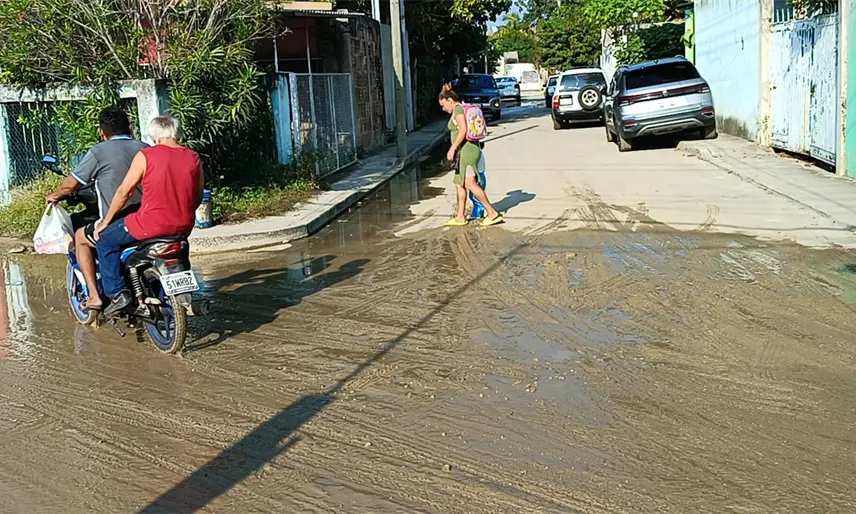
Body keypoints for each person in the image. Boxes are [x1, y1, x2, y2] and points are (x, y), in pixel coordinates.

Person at [94, 116, 204, 318]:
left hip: (149, 225)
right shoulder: (193, 157)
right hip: (183, 226)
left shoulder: (146, 155)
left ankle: (118, 294)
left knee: (105, 240)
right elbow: (197, 196)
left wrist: (105, 221)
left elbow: (124, 192)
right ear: (176, 133)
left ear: (154, 135)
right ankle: (179, 294)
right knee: (179, 252)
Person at [45, 106, 148, 311]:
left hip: (120, 221)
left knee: (81, 237)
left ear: (101, 132)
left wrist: (54, 196)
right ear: (129, 127)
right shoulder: (145, 147)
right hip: (148, 218)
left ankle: (95, 297)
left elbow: (72, 184)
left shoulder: (99, 152)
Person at [438, 83, 503, 227]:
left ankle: (492, 213)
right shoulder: (459, 108)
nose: (443, 109)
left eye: (443, 105)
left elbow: (462, 130)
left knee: (470, 184)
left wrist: (452, 148)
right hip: (464, 151)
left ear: (450, 100)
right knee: (459, 184)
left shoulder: (458, 110)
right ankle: (460, 216)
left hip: (466, 152)